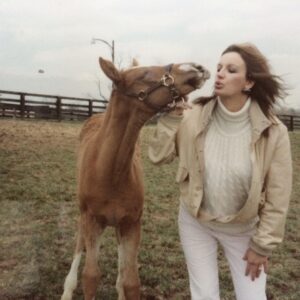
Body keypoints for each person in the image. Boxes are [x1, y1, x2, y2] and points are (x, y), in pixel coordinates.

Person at [148, 43, 292, 300]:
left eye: (231, 69)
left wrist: (262, 246)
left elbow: (278, 197)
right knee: (204, 296)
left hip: (243, 230)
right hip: (195, 223)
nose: (220, 73)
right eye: (219, 68)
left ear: (248, 82)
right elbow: (158, 157)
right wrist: (171, 120)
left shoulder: (273, 132)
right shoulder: (193, 116)